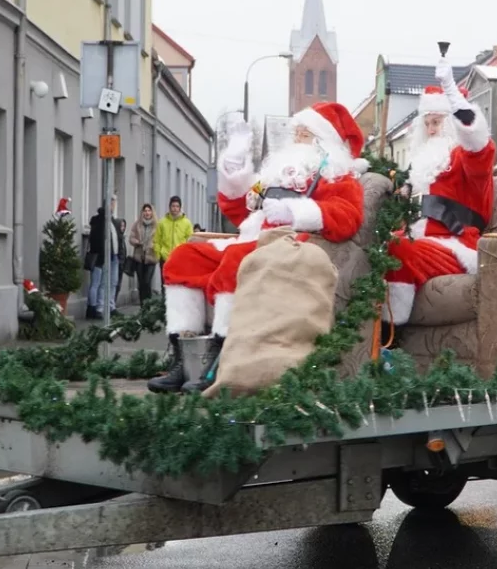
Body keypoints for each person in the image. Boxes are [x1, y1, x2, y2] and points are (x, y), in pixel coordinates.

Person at [153, 101, 368, 393]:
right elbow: (240, 209)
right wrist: (234, 166)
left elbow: (348, 217)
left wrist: (294, 212)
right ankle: (184, 357)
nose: (297, 139)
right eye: (297, 132)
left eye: (306, 134)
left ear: (325, 142)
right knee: (183, 258)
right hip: (253, 239)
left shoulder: (338, 177)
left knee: (236, 261)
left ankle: (221, 360)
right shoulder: (274, 176)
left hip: (290, 245)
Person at [380, 60, 493, 333]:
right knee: (379, 248)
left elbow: (479, 147)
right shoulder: (420, 169)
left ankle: (391, 335)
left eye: (438, 122)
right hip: (421, 239)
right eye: (427, 123)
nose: (431, 129)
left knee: (397, 248)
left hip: (456, 244)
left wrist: (455, 99)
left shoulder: (463, 159)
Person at [86, 201, 121, 319]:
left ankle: (110, 306)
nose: (113, 206)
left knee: (112, 282)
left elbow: (117, 238)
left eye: (114, 204)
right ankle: (95, 308)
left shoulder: (113, 221)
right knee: (98, 283)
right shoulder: (99, 220)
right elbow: (96, 239)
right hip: (101, 257)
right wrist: (102, 253)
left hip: (114, 256)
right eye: (111, 203)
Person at [152, 195, 194, 271]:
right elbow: (157, 240)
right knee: (165, 282)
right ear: (169, 207)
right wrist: (159, 255)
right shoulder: (162, 222)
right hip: (165, 258)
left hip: (180, 259)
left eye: (177, 206)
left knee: (178, 282)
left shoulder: (187, 223)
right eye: (173, 206)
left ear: (180, 208)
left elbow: (190, 241)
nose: (175, 208)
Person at [128, 203, 159, 302]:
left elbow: (160, 239)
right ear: (142, 213)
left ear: (152, 212)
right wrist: (137, 242)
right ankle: (142, 306)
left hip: (151, 257)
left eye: (149, 211)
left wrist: (154, 245)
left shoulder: (157, 226)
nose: (147, 213)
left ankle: (148, 305)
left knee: (147, 282)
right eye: (145, 211)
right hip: (139, 257)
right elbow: (131, 238)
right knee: (141, 283)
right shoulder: (137, 224)